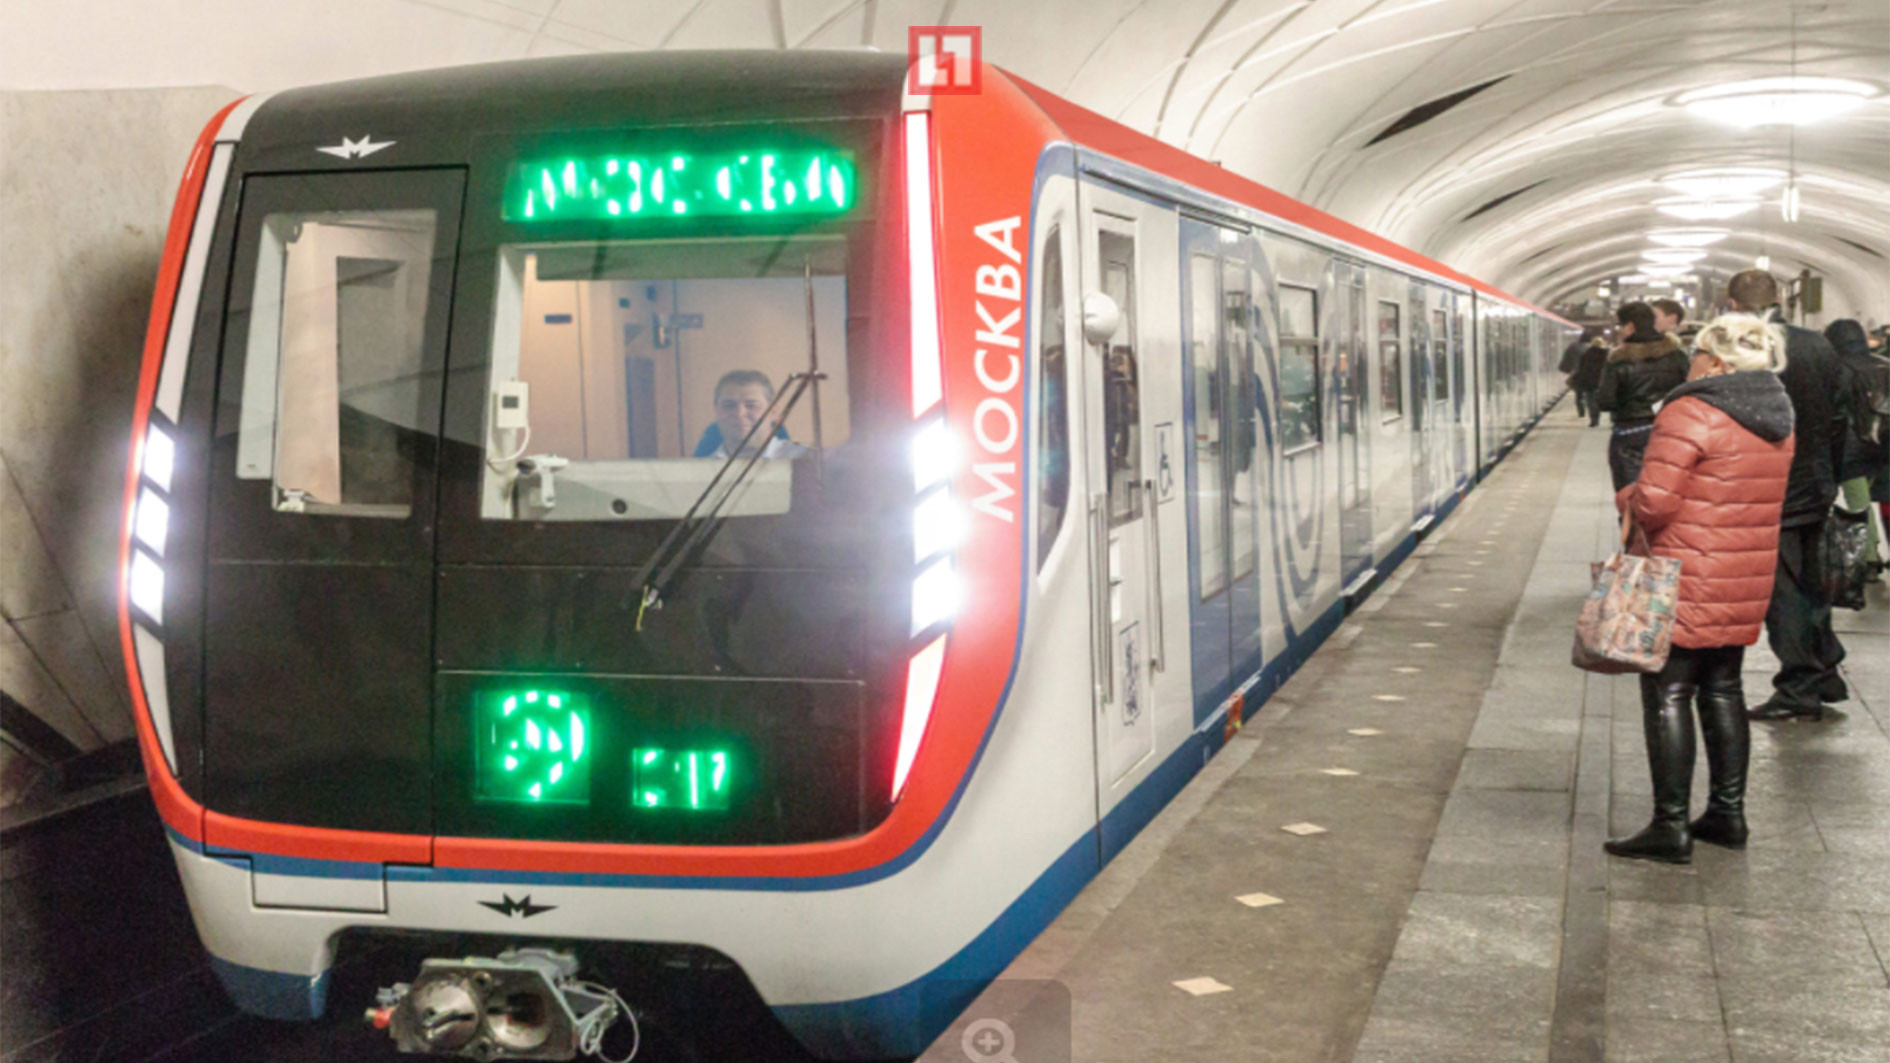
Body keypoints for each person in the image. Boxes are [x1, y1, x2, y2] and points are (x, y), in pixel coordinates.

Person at [1604, 313, 1794, 864]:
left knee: (1668, 691)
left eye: (1696, 353)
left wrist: (1626, 497)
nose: (1690, 362)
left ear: (1715, 362)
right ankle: (1727, 814)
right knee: (1724, 688)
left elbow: (1655, 502)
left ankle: (1669, 826)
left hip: (1686, 572)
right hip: (1743, 572)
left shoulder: (1691, 410)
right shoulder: (1776, 413)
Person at [1726, 271, 1849, 720]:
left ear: (1733, 304)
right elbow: (1839, 416)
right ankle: (1826, 672)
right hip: (1815, 483)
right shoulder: (1817, 345)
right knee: (1812, 584)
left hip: (1768, 487)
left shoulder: (1742, 347)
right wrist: (1830, 475)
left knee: (1782, 593)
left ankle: (1799, 688)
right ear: (1778, 298)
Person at [1596, 302, 1689, 490]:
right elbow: (1689, 389)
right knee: (1666, 491)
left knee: (1630, 495)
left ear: (1630, 326)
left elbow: (1605, 401)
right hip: (1669, 430)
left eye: (1620, 326)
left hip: (1630, 433)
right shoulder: (1677, 355)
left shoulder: (1619, 360)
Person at [1825, 318, 1890, 577]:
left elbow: (1832, 411)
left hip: (1850, 447)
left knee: (1859, 504)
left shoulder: (1836, 370)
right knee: (1885, 499)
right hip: (1885, 443)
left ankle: (1870, 557)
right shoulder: (1884, 365)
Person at [700, 370, 810, 460]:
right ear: (716, 410)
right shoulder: (699, 470)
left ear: (773, 411)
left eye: (751, 405)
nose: (740, 414)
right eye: (729, 405)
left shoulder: (806, 459)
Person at [1571, 332, 1611, 427]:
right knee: (1599, 399)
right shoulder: (1607, 354)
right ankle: (1600, 417)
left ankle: (1594, 419)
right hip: (1603, 381)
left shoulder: (1586, 354)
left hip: (1589, 381)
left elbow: (1581, 369)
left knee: (1591, 401)